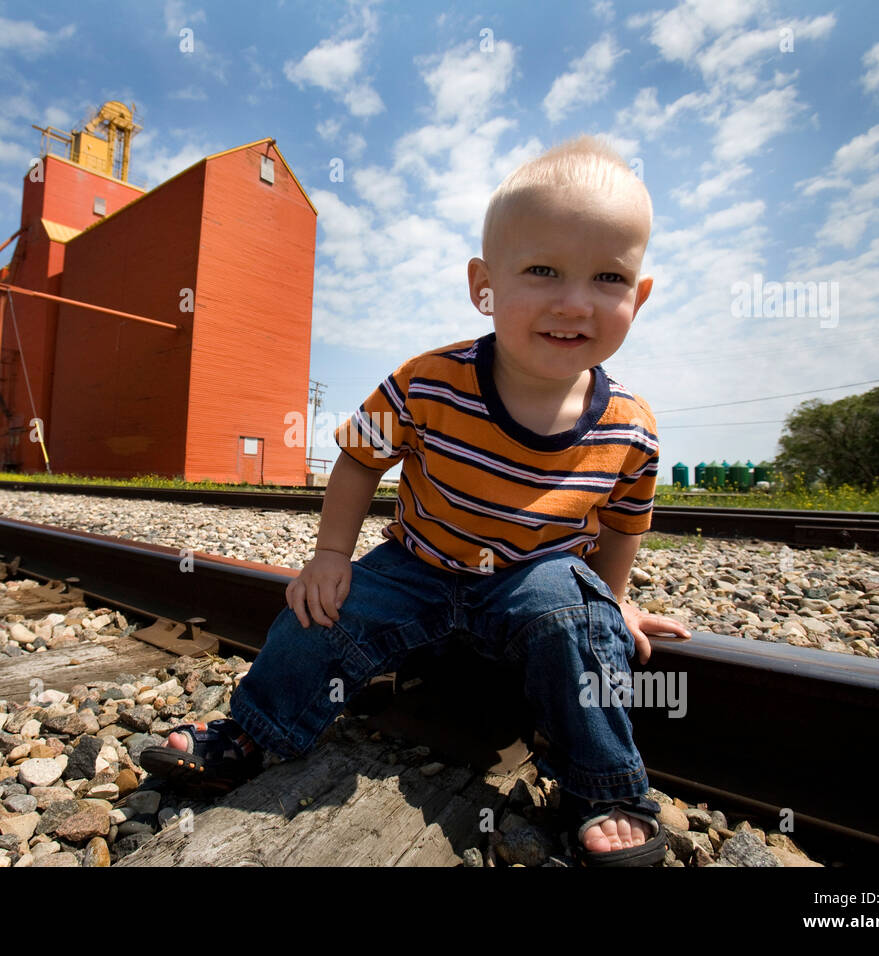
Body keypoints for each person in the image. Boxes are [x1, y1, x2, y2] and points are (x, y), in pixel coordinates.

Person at [141, 134, 692, 866]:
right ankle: (252, 732)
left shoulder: (632, 426)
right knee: (322, 614)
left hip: (537, 576)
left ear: (640, 296)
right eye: (542, 270)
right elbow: (357, 456)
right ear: (483, 285)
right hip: (419, 561)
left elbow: (624, 524)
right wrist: (332, 554)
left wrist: (612, 600)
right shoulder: (429, 381)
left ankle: (602, 786)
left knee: (583, 628)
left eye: (607, 278)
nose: (573, 302)